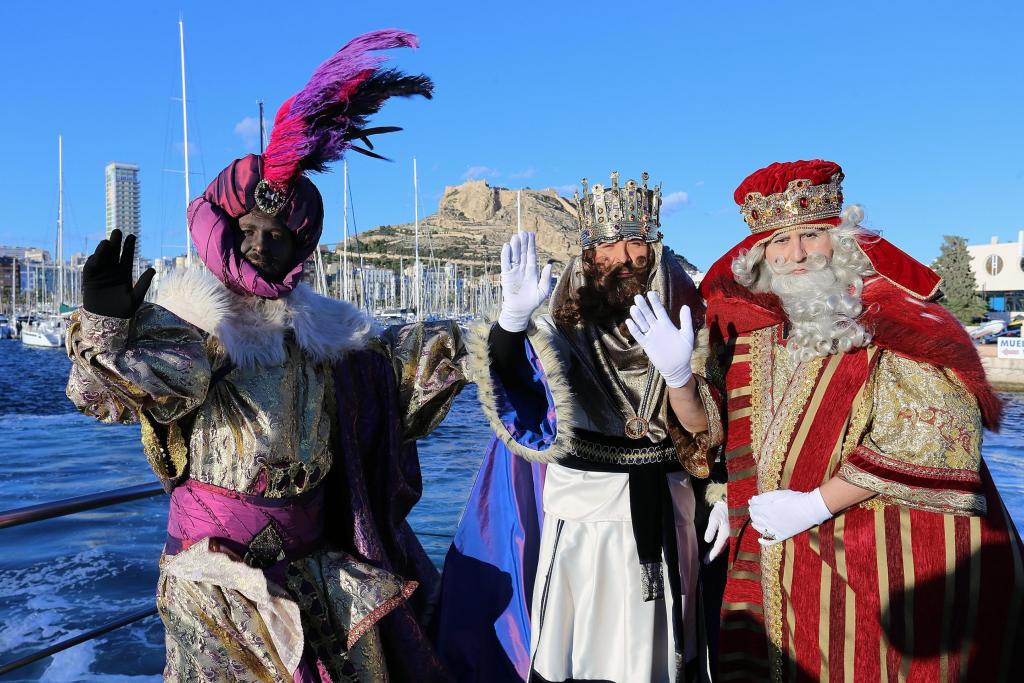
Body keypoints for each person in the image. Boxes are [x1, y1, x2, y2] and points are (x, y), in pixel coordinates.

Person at [66, 30, 467, 682]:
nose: (256, 246)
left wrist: (477, 336)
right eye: (245, 232)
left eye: (273, 236)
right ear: (223, 231)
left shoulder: (326, 339)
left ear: (298, 247)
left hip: (313, 567)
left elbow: (398, 386)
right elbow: (100, 396)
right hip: (215, 583)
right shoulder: (195, 328)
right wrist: (107, 325)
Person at [699, 159, 1024, 681]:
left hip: (876, 566)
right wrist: (727, 493)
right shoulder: (756, 339)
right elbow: (732, 435)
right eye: (779, 242)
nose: (796, 253)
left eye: (811, 234)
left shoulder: (897, 317)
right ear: (760, 256)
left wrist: (813, 505)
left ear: (842, 239)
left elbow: (935, 438)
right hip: (776, 561)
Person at [438, 172, 726, 683]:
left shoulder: (688, 322)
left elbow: (704, 436)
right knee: (578, 647)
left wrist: (680, 375)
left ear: (654, 248)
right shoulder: (563, 324)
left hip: (665, 505)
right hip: (582, 510)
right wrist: (510, 323)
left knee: (656, 652)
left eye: (635, 242)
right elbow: (519, 395)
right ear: (589, 255)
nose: (622, 256)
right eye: (608, 244)